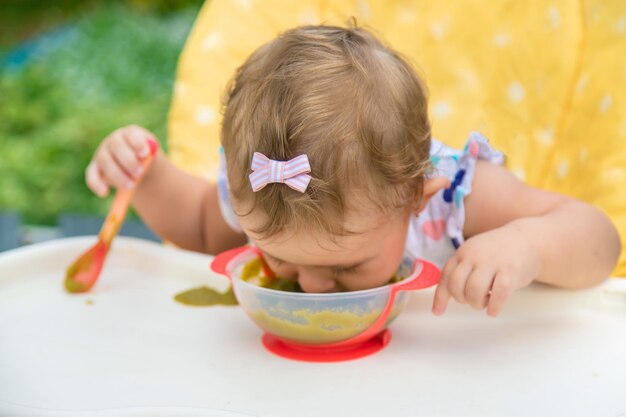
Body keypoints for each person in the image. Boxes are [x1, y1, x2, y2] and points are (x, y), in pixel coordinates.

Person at [85, 24, 621, 317]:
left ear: (414, 193)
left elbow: (600, 242)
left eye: (345, 269)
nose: (315, 290)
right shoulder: (258, 182)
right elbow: (202, 230)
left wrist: (523, 246)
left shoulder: (454, 197)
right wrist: (146, 177)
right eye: (276, 257)